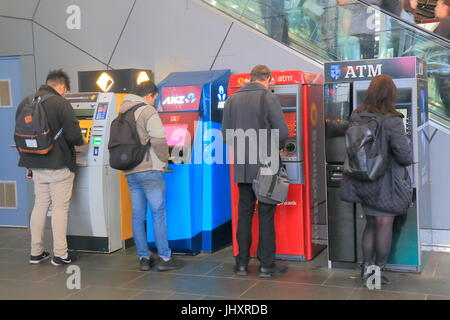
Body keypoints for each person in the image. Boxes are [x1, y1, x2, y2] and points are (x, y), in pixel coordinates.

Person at [340, 75, 413, 287]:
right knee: (384, 224)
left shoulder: (357, 114)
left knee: (371, 223)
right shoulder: (393, 120)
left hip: (361, 179)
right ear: (391, 95)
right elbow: (405, 156)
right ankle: (377, 273)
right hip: (385, 182)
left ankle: (366, 269)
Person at [221, 65, 289, 278]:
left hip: (243, 165)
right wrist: (276, 148)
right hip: (266, 164)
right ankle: (266, 265)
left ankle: (241, 264)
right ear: (268, 78)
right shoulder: (267, 97)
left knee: (244, 213)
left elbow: (225, 135)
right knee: (266, 215)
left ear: (249, 79)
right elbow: (283, 131)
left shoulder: (232, 99)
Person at [16, 69, 85, 266]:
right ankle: (60, 254)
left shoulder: (26, 102)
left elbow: (19, 136)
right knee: (59, 208)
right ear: (61, 87)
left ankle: (36, 252)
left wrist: (27, 162)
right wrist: (84, 141)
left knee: (39, 206)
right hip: (58, 164)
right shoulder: (61, 103)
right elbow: (74, 136)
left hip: (35, 163)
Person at [120, 80, 180, 272]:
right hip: (149, 170)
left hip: (130, 170)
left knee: (138, 215)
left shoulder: (122, 111)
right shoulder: (148, 111)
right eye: (155, 98)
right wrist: (165, 160)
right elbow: (159, 141)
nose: (155, 102)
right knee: (158, 213)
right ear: (150, 95)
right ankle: (164, 257)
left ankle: (144, 258)